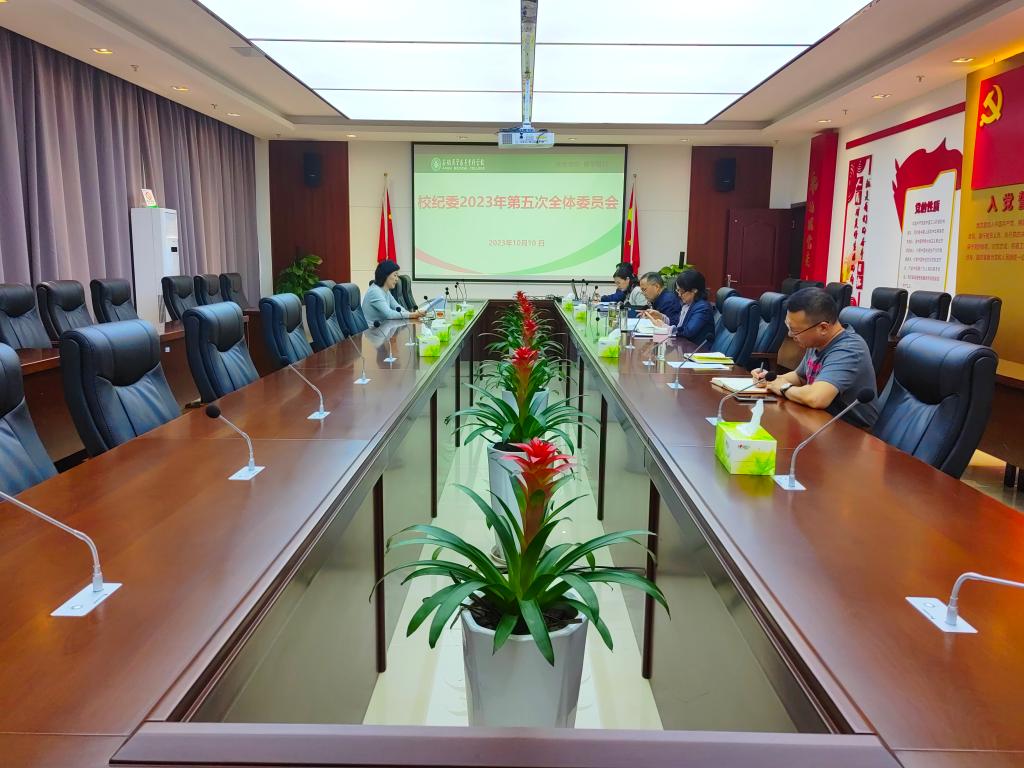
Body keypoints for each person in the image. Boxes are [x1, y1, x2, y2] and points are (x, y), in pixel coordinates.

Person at [753, 287, 878, 428]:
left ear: (823, 328)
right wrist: (770, 380)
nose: (790, 335)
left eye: (795, 330)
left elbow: (817, 398)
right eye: (789, 327)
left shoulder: (849, 349)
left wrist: (783, 387)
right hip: (821, 422)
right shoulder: (817, 342)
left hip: (851, 431)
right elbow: (800, 377)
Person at [647, 269, 715, 344]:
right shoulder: (687, 305)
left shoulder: (702, 308)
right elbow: (677, 323)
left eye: (681, 291)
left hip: (696, 349)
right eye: (677, 290)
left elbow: (688, 332)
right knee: (654, 342)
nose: (679, 295)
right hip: (683, 346)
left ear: (694, 290)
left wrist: (664, 328)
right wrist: (661, 317)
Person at [362, 260, 425, 325]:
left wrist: (412, 314)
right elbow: (389, 314)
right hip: (373, 330)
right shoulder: (375, 292)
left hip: (383, 327)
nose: (397, 279)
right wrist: (412, 315)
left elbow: (397, 307)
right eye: (395, 275)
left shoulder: (385, 290)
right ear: (385, 275)